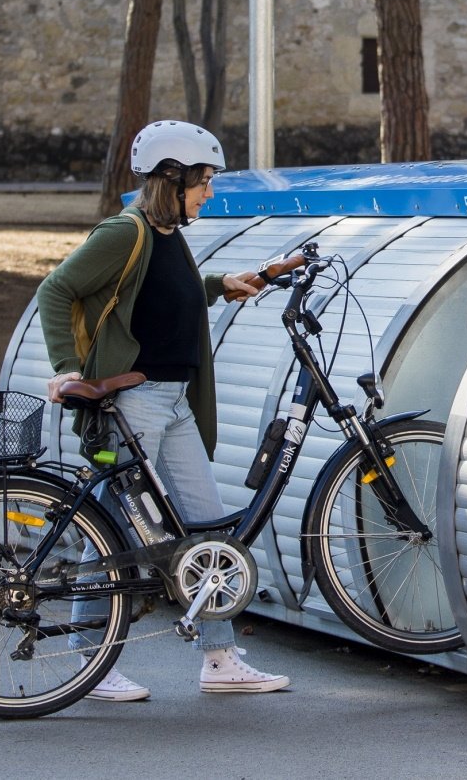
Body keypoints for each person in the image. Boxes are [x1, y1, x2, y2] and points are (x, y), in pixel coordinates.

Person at [35, 119, 291, 703]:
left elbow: (164, 298)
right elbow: (58, 289)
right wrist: (67, 367)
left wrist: (221, 283)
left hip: (173, 402)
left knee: (206, 529)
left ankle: (220, 657)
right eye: (203, 182)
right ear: (171, 179)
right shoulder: (123, 233)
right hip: (137, 400)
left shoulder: (165, 235)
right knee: (115, 531)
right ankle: (90, 661)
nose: (209, 193)